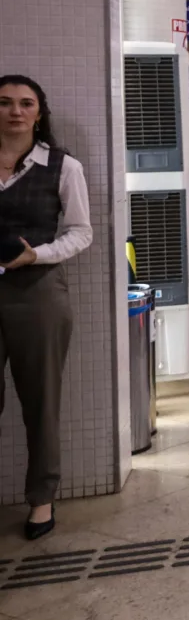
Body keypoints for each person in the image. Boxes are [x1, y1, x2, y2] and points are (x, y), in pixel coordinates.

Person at [0, 76, 93, 539]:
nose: (14, 111)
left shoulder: (62, 166)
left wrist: (36, 254)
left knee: (41, 400)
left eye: (25, 103)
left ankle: (42, 499)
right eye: (4, 103)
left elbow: (81, 232)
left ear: (40, 112)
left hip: (36, 290)